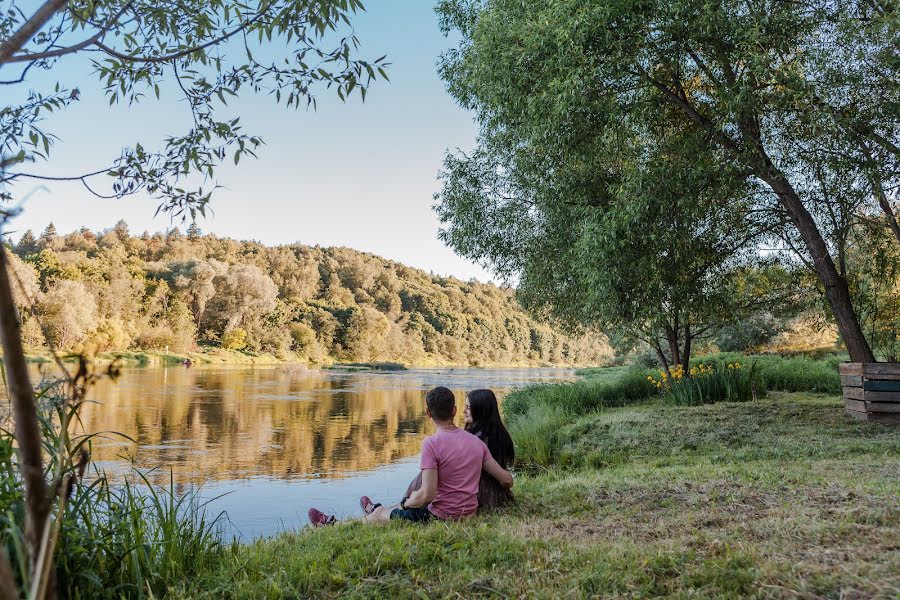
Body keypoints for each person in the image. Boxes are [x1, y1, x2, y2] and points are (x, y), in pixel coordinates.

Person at [307, 386, 513, 526]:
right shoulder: (476, 442)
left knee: (381, 515)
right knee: (393, 507)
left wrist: (406, 504)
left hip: (442, 517)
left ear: (428, 414)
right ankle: (372, 512)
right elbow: (507, 480)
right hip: (470, 515)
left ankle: (334, 526)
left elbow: (428, 495)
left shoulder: (431, 444)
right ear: (454, 410)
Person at [404, 388, 514, 509]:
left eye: (468, 408)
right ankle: (411, 500)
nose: (463, 411)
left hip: (482, 494)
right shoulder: (499, 434)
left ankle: (407, 502)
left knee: (427, 474)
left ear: (481, 410)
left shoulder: (478, 440)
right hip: (496, 493)